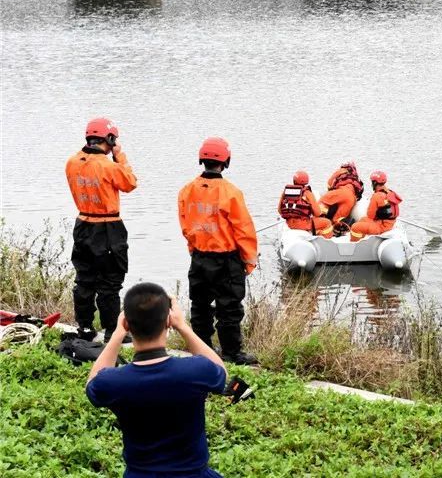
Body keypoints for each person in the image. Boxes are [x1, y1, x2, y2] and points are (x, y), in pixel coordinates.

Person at [86, 282, 227, 478]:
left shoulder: (114, 382)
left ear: (127, 323)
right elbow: (221, 372)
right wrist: (183, 327)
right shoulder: (196, 371)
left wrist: (118, 334)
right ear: (168, 322)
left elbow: (92, 383)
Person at [177, 137, 258, 365]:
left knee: (200, 306)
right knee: (229, 308)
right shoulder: (231, 193)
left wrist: (193, 248)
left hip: (200, 257)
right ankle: (231, 353)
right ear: (226, 161)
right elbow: (244, 229)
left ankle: (201, 348)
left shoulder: (187, 191)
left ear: (202, 159)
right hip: (227, 260)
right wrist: (249, 260)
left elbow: (185, 225)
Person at [65, 117, 137, 343]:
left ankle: (85, 327)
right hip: (107, 226)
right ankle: (112, 331)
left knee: (84, 279)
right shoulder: (108, 165)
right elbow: (130, 183)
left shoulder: (72, 162)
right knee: (110, 281)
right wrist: (119, 156)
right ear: (110, 138)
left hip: (83, 224)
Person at [278, 170, 333, 238]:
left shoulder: (286, 192)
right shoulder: (307, 193)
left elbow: (280, 211)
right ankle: (325, 242)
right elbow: (317, 213)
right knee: (327, 223)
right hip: (303, 224)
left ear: (294, 181)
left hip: (289, 223)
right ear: (307, 181)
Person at [350, 171, 402, 242]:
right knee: (363, 219)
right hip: (389, 224)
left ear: (374, 183)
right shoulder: (390, 192)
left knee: (354, 227)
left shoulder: (376, 196)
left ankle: (354, 244)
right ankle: (362, 241)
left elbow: (370, 215)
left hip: (381, 226)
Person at [318, 161, 364, 236]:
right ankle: (341, 227)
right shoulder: (355, 178)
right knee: (337, 219)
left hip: (341, 192)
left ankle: (320, 221)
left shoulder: (341, 171)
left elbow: (329, 184)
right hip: (351, 198)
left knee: (323, 202)